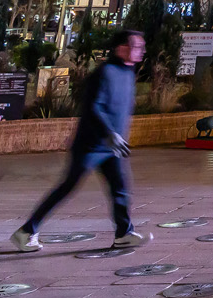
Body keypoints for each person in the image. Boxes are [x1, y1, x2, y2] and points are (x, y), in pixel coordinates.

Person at [12, 28, 148, 251]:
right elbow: (93, 107)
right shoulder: (104, 72)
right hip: (90, 144)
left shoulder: (128, 72)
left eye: (142, 47)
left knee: (121, 188)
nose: (141, 51)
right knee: (68, 186)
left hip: (112, 145)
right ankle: (26, 231)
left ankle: (123, 234)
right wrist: (110, 133)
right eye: (136, 46)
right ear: (121, 48)